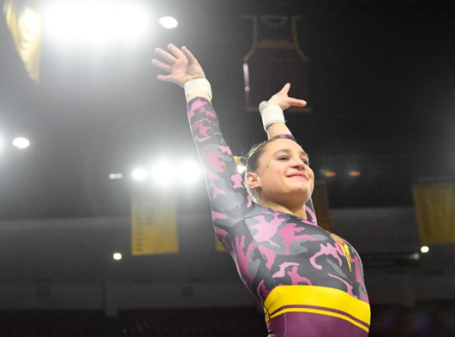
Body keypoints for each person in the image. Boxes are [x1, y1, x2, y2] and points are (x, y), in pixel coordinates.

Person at [152, 44, 370, 337]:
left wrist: (273, 114)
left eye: (304, 161)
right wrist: (196, 87)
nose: (300, 165)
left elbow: (290, 152)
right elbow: (212, 148)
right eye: (283, 159)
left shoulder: (308, 223)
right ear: (252, 180)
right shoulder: (243, 220)